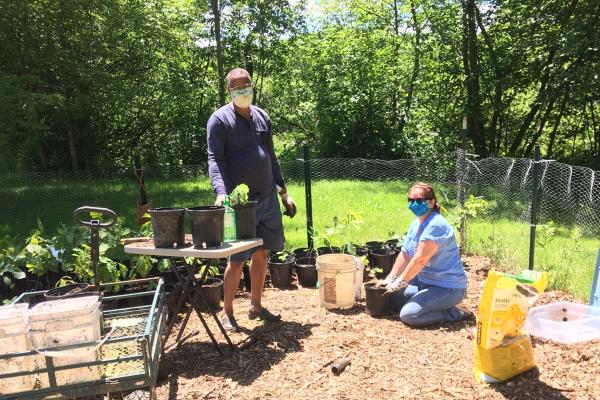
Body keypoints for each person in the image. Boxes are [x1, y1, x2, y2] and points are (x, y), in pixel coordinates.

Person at [207, 68, 297, 331]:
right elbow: (215, 159)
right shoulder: (219, 120)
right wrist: (221, 192)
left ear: (252, 86)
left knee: (262, 253)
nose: (242, 91)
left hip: (268, 197)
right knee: (236, 259)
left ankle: (256, 306)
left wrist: (283, 192)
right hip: (240, 205)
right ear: (229, 91)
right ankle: (228, 312)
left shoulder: (261, 116)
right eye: (237, 88)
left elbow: (271, 155)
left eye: (246, 85)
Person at [379, 182, 471, 327]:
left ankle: (454, 313)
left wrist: (400, 282)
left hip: (446, 287)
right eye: (411, 200)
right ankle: (431, 303)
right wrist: (391, 277)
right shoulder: (415, 224)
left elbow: (420, 260)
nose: (414, 204)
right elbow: (405, 254)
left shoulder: (436, 225)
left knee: (410, 315)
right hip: (423, 283)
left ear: (431, 202)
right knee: (390, 300)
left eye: (419, 201)